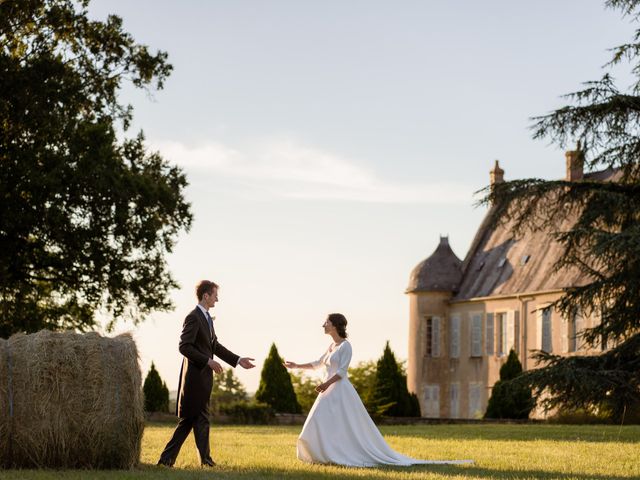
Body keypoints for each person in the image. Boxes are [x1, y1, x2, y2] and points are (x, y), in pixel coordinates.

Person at [285, 313, 472, 467]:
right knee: (316, 423)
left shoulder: (346, 346)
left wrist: (326, 384)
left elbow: (342, 372)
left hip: (338, 391)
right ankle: (320, 454)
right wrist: (296, 366)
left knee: (334, 423)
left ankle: (335, 454)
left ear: (334, 325)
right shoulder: (331, 346)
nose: (323, 325)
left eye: (326, 322)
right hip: (327, 391)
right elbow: (318, 363)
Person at [158, 280, 255, 467]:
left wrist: (238, 360)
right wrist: (207, 360)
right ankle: (205, 461)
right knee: (200, 418)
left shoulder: (207, 318)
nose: (217, 299)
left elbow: (214, 346)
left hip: (202, 379)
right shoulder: (193, 317)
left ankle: (166, 461)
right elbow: (184, 346)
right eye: (215, 295)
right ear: (206, 295)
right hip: (194, 380)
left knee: (189, 421)